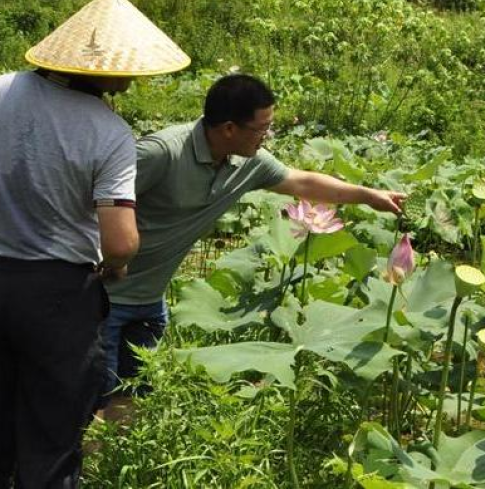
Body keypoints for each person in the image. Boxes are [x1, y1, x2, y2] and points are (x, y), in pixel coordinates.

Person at [102, 73, 405, 407]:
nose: (266, 137)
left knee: (132, 400)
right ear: (229, 128)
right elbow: (90, 203)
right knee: (91, 400)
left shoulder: (246, 163)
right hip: (101, 300)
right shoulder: (162, 152)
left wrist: (367, 195)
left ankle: (105, 458)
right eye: (262, 128)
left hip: (149, 301)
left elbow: (301, 182)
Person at [0, 0, 190, 489]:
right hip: (57, 296)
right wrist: (114, 267)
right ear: (110, 71)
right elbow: (121, 242)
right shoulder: (107, 132)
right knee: (54, 431)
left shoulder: (0, 89)